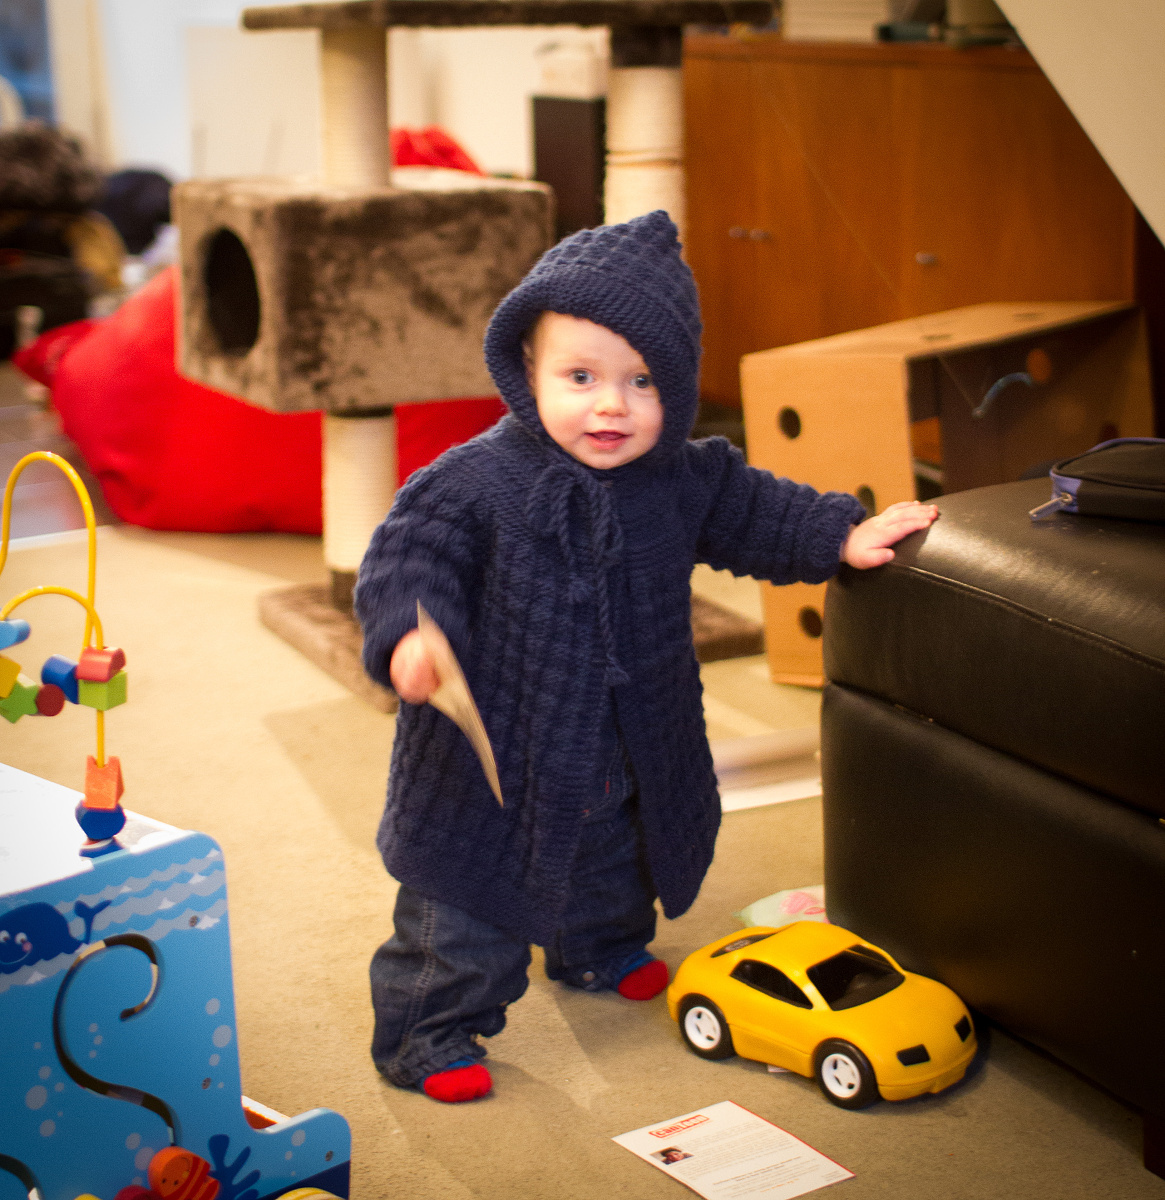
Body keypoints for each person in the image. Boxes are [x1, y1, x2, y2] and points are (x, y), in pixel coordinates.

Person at [355, 211, 937, 1104]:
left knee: (616, 860)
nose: (610, 406)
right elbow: (410, 555)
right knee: (462, 912)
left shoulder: (681, 478)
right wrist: (411, 632)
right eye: (580, 377)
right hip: (494, 755)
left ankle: (597, 949)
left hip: (629, 738)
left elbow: (756, 510)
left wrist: (839, 534)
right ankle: (426, 1032)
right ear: (526, 371)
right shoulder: (471, 482)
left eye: (642, 382)